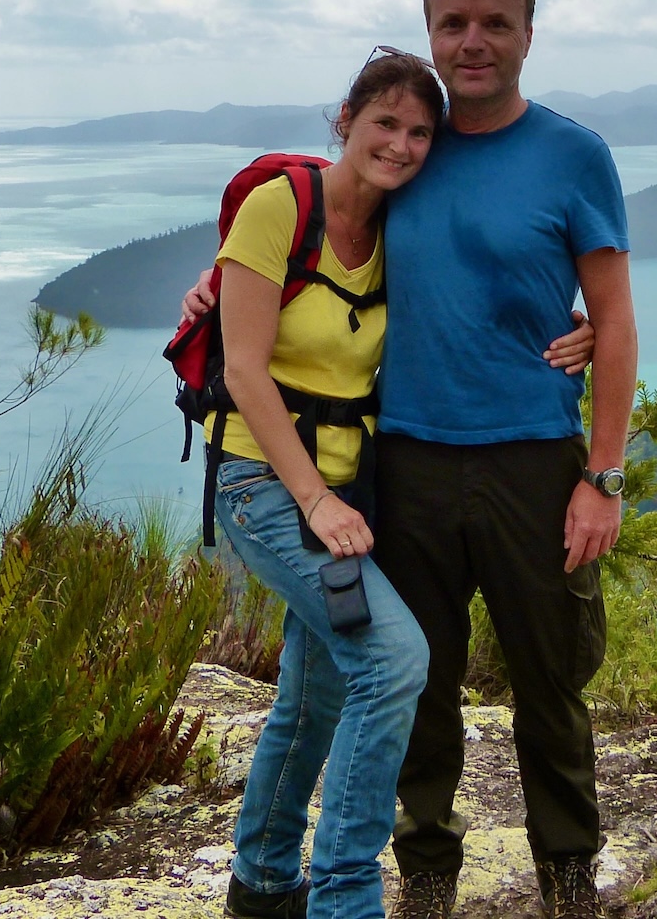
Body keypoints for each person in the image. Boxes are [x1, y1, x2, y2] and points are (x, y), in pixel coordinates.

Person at [193, 49, 598, 919]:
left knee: (315, 691)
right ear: (347, 121)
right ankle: (344, 896)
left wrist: (574, 324)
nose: (404, 144)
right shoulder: (279, 207)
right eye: (385, 124)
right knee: (393, 657)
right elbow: (246, 373)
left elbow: (467, 294)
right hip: (269, 490)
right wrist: (316, 500)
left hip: (349, 493)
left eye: (420, 131)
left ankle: (261, 881)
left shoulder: (391, 229)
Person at [373, 0, 638, 919]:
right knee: (416, 684)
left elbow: (610, 320)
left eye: (494, 22)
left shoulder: (572, 154)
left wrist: (600, 477)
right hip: (405, 460)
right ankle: (428, 872)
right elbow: (312, 224)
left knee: (550, 677)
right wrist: (220, 282)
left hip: (532, 458)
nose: (472, 41)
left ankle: (567, 870)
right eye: (453, 22)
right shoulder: (404, 141)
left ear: (528, 33)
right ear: (430, 31)